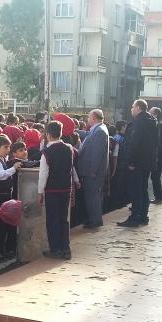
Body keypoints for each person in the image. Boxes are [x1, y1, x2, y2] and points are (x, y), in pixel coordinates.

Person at [118, 100, 158, 228]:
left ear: (138, 107)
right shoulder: (152, 121)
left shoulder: (138, 122)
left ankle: (134, 218)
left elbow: (134, 142)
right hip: (147, 162)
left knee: (136, 191)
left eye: (132, 106)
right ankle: (143, 216)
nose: (131, 109)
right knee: (143, 189)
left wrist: (131, 161)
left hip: (137, 163)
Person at [38, 121, 75, 260]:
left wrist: (40, 192)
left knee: (52, 219)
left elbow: (43, 174)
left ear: (47, 134)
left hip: (52, 190)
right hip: (66, 188)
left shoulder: (46, 153)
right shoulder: (69, 148)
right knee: (63, 219)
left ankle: (55, 249)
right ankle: (66, 248)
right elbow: (71, 168)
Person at [0, 134, 22, 260]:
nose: (8, 149)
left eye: (9, 147)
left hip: (5, 195)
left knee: (4, 226)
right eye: (5, 147)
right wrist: (13, 169)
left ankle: (1, 250)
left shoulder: (3, 159)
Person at [77, 109, 109, 229]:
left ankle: (95, 220)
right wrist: (76, 131)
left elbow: (97, 153)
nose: (87, 119)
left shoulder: (100, 131)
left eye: (89, 117)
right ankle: (93, 218)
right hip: (91, 170)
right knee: (91, 196)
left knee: (93, 196)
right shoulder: (97, 129)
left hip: (93, 171)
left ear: (94, 118)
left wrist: (93, 170)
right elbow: (88, 136)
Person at [149, 107, 162, 204]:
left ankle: (159, 198)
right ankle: (159, 197)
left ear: (155, 114)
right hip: (161, 155)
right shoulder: (159, 124)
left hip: (160, 156)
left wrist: (155, 156)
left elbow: (159, 143)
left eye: (150, 112)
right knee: (155, 176)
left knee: (155, 176)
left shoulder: (159, 125)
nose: (149, 113)